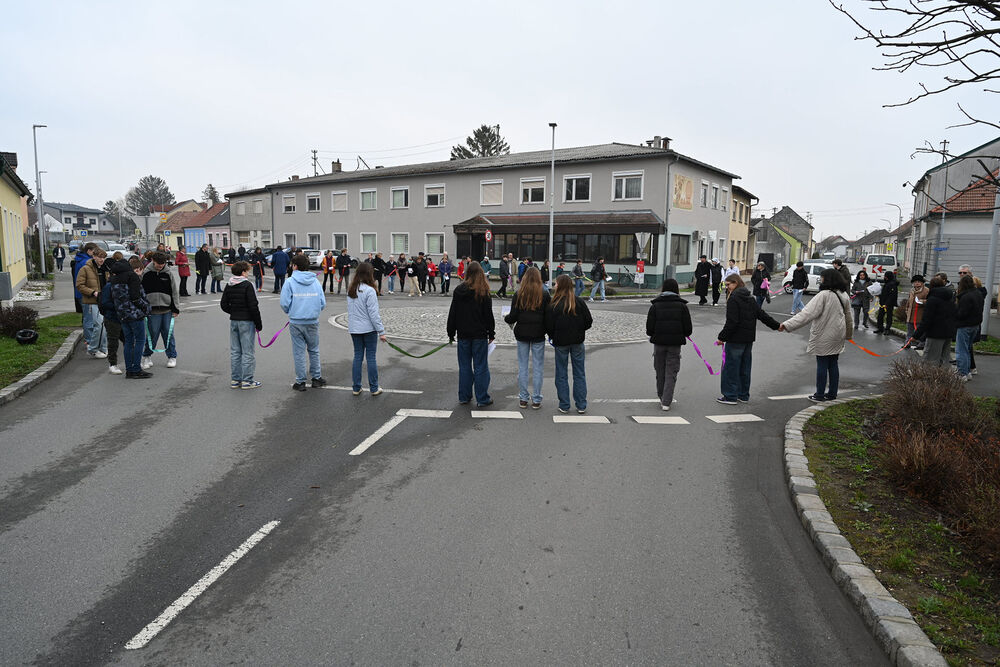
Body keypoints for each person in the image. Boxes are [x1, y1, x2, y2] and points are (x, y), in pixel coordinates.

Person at [779, 268, 853, 402]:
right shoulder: (844, 294)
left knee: (822, 364)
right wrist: (848, 334)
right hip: (838, 334)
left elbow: (806, 314)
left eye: (822, 277)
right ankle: (832, 393)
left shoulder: (823, 295)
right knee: (833, 364)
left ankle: (819, 394)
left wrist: (787, 325)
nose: (820, 280)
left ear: (827, 279)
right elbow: (849, 317)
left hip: (824, 333)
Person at [715, 273, 780, 404]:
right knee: (744, 368)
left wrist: (722, 337)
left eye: (728, 284)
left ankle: (730, 396)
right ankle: (743, 395)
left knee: (731, 368)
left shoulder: (733, 299)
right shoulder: (750, 297)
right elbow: (761, 314)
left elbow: (732, 322)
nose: (727, 287)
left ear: (735, 283)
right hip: (748, 339)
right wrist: (776, 325)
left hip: (735, 339)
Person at [446, 261, 495, 407]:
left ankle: (464, 396)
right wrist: (491, 333)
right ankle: (482, 398)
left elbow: (453, 313)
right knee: (480, 366)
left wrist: (451, 332)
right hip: (479, 334)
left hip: (463, 334)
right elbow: (488, 315)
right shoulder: (483, 291)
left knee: (465, 366)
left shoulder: (459, 290)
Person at [546, 274, 593, 414]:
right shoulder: (578, 302)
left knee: (561, 374)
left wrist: (553, 336)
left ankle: (564, 404)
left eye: (556, 283)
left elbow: (549, 325)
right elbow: (588, 321)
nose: (554, 285)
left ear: (560, 286)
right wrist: (579, 330)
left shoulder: (554, 304)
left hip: (561, 342)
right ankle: (581, 404)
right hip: (577, 341)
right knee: (579, 373)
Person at [504, 266, 550, 409]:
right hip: (538, 334)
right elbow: (548, 316)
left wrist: (506, 318)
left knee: (523, 366)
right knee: (538, 367)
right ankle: (536, 399)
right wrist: (549, 331)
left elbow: (513, 316)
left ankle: (523, 398)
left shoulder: (519, 294)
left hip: (522, 333)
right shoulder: (544, 294)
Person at [281, 254, 327, 391]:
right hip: (312, 320)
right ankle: (316, 378)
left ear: (295, 266)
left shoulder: (289, 282)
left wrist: (292, 311)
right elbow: (322, 303)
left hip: (296, 321)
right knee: (314, 350)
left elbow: (284, 303)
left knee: (299, 352)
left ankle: (300, 381)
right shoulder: (315, 282)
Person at [645, 278, 692, 411]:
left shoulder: (655, 306)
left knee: (660, 371)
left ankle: (661, 396)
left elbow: (649, 328)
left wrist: (654, 333)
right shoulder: (682, 306)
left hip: (659, 344)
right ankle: (666, 401)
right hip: (675, 345)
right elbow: (688, 329)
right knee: (671, 372)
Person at [346, 261, 388, 396]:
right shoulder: (370, 291)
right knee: (371, 357)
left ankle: (356, 387)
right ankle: (374, 387)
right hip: (368, 329)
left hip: (354, 328)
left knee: (357, 356)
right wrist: (381, 331)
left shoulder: (351, 289)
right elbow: (373, 314)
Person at [220, 260, 263, 389]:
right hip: (247, 321)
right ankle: (247, 380)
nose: (248, 273)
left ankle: (235, 379)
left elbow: (223, 304)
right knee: (248, 352)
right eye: (247, 271)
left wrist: (233, 312)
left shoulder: (229, 284)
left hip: (234, 320)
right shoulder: (247, 285)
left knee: (235, 351)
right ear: (243, 272)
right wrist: (258, 323)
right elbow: (253, 305)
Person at [110, 256, 152, 379]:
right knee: (140, 341)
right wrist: (145, 307)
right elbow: (135, 297)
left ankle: (129, 370)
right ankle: (137, 369)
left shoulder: (114, 279)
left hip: (122, 314)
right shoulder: (132, 276)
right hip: (135, 314)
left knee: (128, 342)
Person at [140, 251, 181, 369]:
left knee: (168, 333)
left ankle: (172, 356)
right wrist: (143, 307)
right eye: (158, 264)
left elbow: (174, 291)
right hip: (152, 310)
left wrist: (176, 308)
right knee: (152, 334)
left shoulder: (168, 273)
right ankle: (147, 356)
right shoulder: (146, 273)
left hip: (167, 309)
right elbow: (141, 291)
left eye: (163, 264)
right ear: (153, 261)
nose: (161, 266)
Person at [912, 275, 958, 367]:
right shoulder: (950, 298)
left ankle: (930, 376)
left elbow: (926, 320)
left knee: (930, 360)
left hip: (935, 333)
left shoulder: (932, 300)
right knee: (944, 359)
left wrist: (916, 335)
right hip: (948, 333)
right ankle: (944, 375)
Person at [74, 247, 109, 358]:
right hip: (91, 301)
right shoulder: (85, 269)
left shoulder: (106, 269)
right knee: (98, 324)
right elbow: (79, 285)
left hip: (104, 301)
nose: (102, 259)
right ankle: (93, 348)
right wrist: (93, 292)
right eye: (99, 257)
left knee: (103, 325)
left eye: (103, 257)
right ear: (94, 256)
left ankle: (103, 348)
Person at [954, 274, 984, 381]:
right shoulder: (978, 294)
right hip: (975, 325)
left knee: (961, 350)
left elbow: (962, 314)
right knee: (967, 349)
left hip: (964, 325)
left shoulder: (965, 297)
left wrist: (955, 313)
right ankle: (967, 372)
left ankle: (962, 373)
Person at [98, 256, 125, 375]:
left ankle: (132, 361)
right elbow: (104, 303)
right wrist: (118, 306)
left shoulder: (124, 284)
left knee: (128, 340)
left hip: (124, 317)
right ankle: (112, 364)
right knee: (113, 341)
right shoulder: (109, 286)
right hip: (112, 318)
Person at [903, 275, 928, 349]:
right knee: (909, 331)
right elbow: (908, 301)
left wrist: (922, 301)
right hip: (910, 314)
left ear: (922, 283)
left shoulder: (926, 291)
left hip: (919, 314)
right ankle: (907, 343)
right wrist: (907, 309)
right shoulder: (912, 291)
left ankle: (921, 343)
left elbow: (929, 301)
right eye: (915, 282)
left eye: (919, 282)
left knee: (919, 330)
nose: (917, 283)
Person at [873, 270, 898, 335]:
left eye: (885, 276)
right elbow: (884, 293)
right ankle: (880, 328)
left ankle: (887, 329)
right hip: (882, 303)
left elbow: (892, 296)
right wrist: (879, 295)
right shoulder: (887, 283)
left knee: (889, 317)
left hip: (888, 304)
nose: (884, 277)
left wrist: (887, 304)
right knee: (880, 316)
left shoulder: (892, 284)